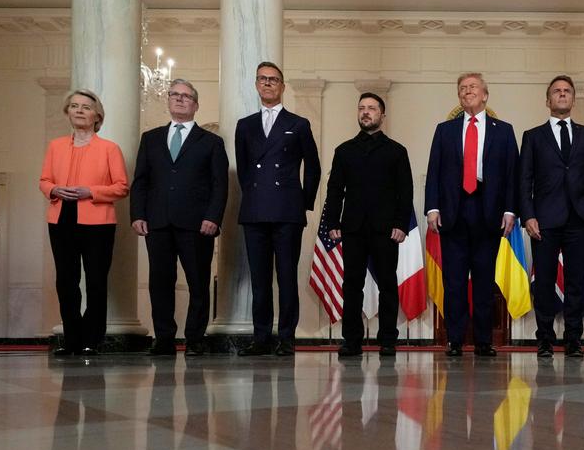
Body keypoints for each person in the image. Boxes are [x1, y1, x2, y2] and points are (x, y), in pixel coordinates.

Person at [131, 79, 229, 357]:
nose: (179, 99)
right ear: (168, 100)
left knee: (198, 283)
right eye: (174, 94)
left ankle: (195, 340)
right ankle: (164, 339)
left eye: (186, 96)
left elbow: (220, 184)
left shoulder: (211, 142)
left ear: (195, 105)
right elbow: (141, 180)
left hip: (197, 224)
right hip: (157, 222)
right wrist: (138, 213)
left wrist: (213, 217)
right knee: (160, 283)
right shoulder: (150, 138)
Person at [424, 72, 519, 357]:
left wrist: (510, 210)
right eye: (463, 88)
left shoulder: (504, 131)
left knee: (483, 281)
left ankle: (483, 341)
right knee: (453, 281)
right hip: (453, 212)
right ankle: (454, 340)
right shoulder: (445, 130)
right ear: (459, 96)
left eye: (473, 87)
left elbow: (512, 174)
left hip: (488, 212)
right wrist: (432, 208)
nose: (468, 91)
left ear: (485, 95)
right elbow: (434, 170)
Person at [234, 61, 321, 357]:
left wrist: (303, 202)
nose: (268, 83)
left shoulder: (298, 124)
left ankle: (286, 337)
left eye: (273, 79)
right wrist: (253, 196)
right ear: (256, 85)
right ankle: (261, 338)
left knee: (286, 277)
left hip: (287, 211)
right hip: (255, 210)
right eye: (262, 79)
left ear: (282, 86)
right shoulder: (245, 125)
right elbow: (244, 169)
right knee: (259, 280)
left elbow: (313, 167)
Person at [322, 92, 414, 358]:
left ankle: (388, 340)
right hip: (352, 227)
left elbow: (405, 191)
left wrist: (401, 224)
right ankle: (352, 340)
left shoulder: (397, 151)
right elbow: (335, 190)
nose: (366, 112)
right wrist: (332, 221)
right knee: (351, 284)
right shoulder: (344, 151)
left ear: (382, 115)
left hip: (386, 229)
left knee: (387, 284)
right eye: (361, 108)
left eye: (372, 108)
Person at [38, 88, 129, 357]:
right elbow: (44, 180)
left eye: (86, 107)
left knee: (96, 281)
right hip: (61, 218)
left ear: (97, 116)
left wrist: (91, 192)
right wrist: (54, 189)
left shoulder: (110, 148)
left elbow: (122, 186)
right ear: (67, 112)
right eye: (74, 106)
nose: (79, 110)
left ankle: (92, 339)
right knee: (66, 281)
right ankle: (72, 340)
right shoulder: (55, 146)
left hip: (98, 221)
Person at [518, 75, 584, 359]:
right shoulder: (532, 136)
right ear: (548, 100)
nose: (562, 94)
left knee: (576, 282)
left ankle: (573, 339)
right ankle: (544, 339)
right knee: (543, 282)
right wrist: (528, 216)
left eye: (567, 91)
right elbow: (524, 180)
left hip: (579, 219)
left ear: (573, 99)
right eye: (557, 91)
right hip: (543, 221)